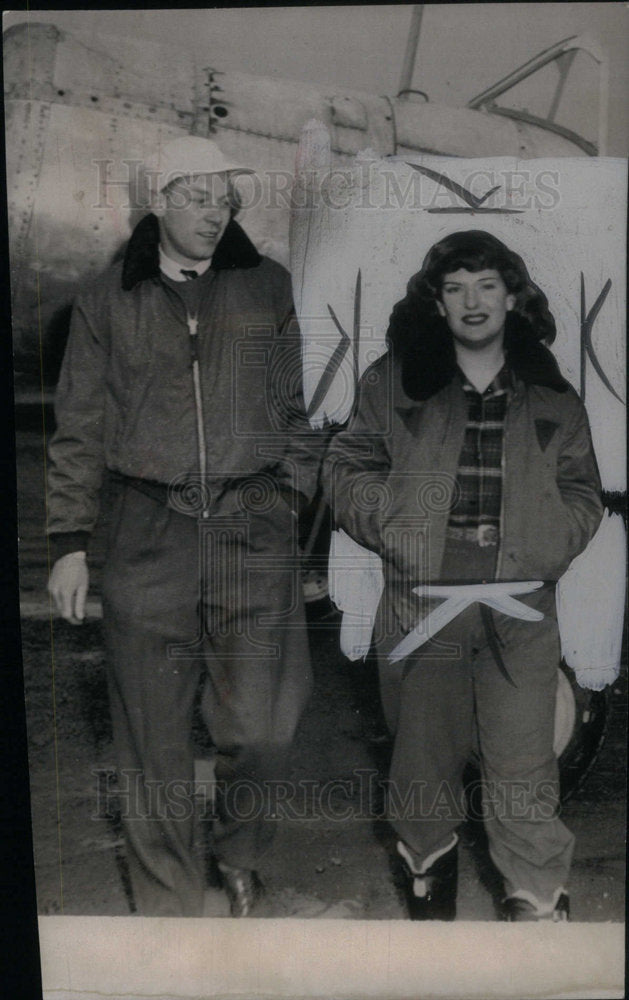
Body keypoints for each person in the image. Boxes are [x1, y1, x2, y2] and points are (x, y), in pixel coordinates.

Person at [47, 136, 322, 917]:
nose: (215, 212)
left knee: (264, 729)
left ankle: (240, 853)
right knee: (152, 746)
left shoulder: (265, 286)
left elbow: (294, 414)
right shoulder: (105, 301)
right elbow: (78, 430)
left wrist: (287, 500)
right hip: (146, 535)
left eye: (225, 199)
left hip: (250, 531)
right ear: (157, 200)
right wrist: (69, 543)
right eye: (197, 196)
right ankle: (170, 918)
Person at [323, 230, 603, 921]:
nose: (471, 301)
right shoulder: (393, 380)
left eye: (485, 285)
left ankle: (538, 920)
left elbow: (582, 492)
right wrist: (396, 527)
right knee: (420, 778)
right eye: (454, 288)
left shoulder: (551, 395)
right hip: (422, 605)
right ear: (436, 302)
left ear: (512, 296)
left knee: (523, 776)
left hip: (519, 611)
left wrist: (546, 543)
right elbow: (346, 465)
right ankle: (431, 929)